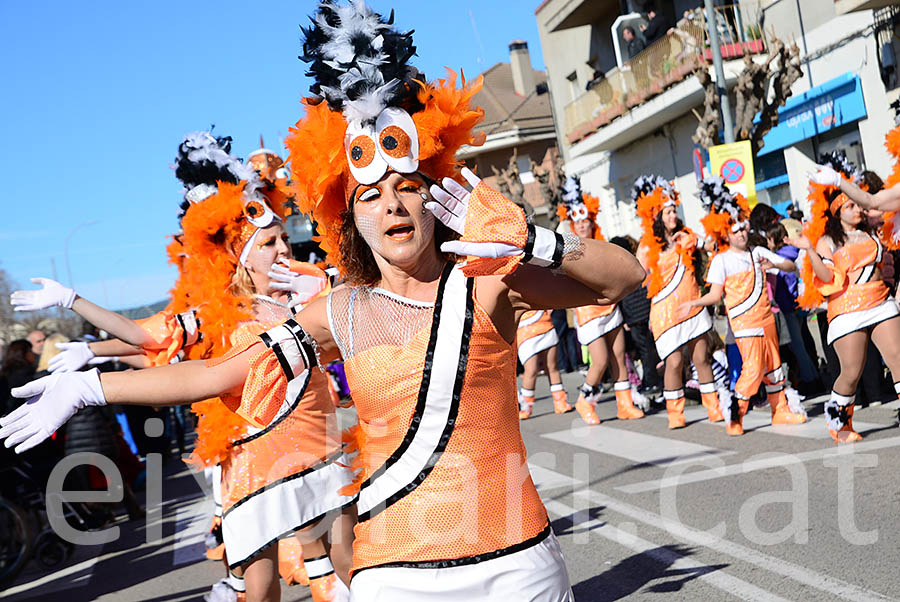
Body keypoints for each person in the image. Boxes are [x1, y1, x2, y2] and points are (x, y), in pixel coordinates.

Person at [1, 3, 646, 599]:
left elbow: (624, 280)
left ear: (435, 193)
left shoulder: (492, 278)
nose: (392, 203)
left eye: (408, 185)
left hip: (517, 562)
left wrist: (535, 239)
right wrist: (91, 389)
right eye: (370, 194)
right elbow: (211, 372)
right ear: (348, 217)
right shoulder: (338, 311)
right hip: (397, 572)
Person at [10, 134, 353, 602]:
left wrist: (321, 290)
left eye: (283, 239)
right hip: (254, 455)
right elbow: (147, 337)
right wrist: (75, 304)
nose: (283, 249)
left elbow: (368, 293)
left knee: (344, 559)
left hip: (321, 442)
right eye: (269, 242)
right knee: (259, 579)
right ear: (240, 255)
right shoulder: (217, 314)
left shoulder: (311, 288)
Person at [680, 177, 807, 436]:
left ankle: (779, 410)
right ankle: (735, 414)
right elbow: (715, 295)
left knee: (774, 366)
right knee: (752, 367)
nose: (741, 233)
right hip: (744, 324)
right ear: (725, 233)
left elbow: (791, 266)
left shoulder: (757, 252)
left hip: (767, 320)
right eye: (735, 230)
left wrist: (776, 265)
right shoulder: (721, 261)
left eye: (743, 228)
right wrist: (694, 302)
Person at [792, 152, 900, 442]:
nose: (857, 209)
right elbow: (827, 279)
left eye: (856, 204)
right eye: (850, 205)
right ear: (837, 212)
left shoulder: (871, 233)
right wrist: (809, 250)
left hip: (880, 301)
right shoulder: (828, 241)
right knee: (851, 371)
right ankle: (839, 422)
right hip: (848, 310)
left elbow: (876, 204)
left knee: (898, 357)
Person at [632, 175, 725, 429]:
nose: (673, 216)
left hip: (693, 304)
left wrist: (706, 238)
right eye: (668, 212)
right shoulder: (647, 245)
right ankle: (675, 412)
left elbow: (714, 248)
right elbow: (637, 274)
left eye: (674, 211)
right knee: (674, 362)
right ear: (657, 217)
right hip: (665, 312)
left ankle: (713, 407)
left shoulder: (687, 235)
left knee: (701, 358)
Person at [556, 177, 645, 424]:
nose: (583, 225)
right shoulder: (568, 248)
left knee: (619, 354)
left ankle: (625, 404)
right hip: (588, 311)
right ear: (572, 223)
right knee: (601, 360)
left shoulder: (601, 243)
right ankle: (586, 399)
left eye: (586, 220)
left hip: (609, 305)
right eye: (578, 221)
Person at [765, 223, 822, 393]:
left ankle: (810, 379)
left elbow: (785, 286)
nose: (768, 244)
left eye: (769, 239)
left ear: (774, 239)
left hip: (789, 305)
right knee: (801, 343)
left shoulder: (779, 258)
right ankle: (813, 376)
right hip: (801, 302)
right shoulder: (793, 252)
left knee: (797, 345)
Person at [610, 236, 662, 395]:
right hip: (645, 311)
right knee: (652, 348)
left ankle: (651, 380)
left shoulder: (618, 270)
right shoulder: (637, 264)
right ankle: (655, 378)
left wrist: (625, 318)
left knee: (645, 350)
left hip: (635, 315)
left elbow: (619, 296)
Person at [517, 309, 571, 419]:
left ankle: (560, 402)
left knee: (552, 367)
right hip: (525, 330)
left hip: (545, 325)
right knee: (531, 370)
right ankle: (526, 407)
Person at [0, 340, 35, 415]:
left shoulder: (5, 371)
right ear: (22, 353)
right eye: (30, 351)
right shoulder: (25, 373)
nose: (33, 354)